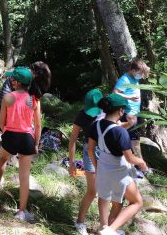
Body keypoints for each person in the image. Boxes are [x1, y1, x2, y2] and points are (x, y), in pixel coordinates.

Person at [88, 94, 147, 235]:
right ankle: (111, 229)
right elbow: (130, 158)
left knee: (105, 198)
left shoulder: (96, 125)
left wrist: (97, 167)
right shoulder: (120, 132)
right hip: (119, 172)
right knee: (137, 202)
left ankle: (104, 227)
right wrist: (142, 162)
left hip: (102, 167)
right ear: (120, 111)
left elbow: (90, 149)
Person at [0, 67, 40, 222]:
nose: (10, 80)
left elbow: (1, 122)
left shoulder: (8, 97)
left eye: (12, 78)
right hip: (27, 138)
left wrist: (6, 132)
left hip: (10, 136)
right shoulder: (34, 99)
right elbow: (38, 126)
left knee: (2, 159)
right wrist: (36, 144)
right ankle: (21, 211)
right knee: (24, 177)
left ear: (17, 82)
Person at [68, 88, 104, 235]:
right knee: (93, 190)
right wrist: (71, 164)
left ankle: (105, 226)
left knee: (106, 191)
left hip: (107, 152)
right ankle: (80, 222)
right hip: (90, 152)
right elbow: (72, 140)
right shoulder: (82, 116)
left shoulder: (107, 113)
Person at [113, 58, 150, 179]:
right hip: (128, 115)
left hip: (135, 114)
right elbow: (115, 93)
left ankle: (137, 165)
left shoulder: (134, 78)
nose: (141, 76)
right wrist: (129, 97)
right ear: (134, 70)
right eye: (140, 73)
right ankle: (139, 166)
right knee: (133, 141)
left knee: (134, 140)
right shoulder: (124, 79)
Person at [0, 61, 51, 130]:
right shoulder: (18, 76)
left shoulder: (33, 82)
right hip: (2, 119)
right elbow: (3, 103)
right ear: (35, 73)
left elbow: (33, 104)